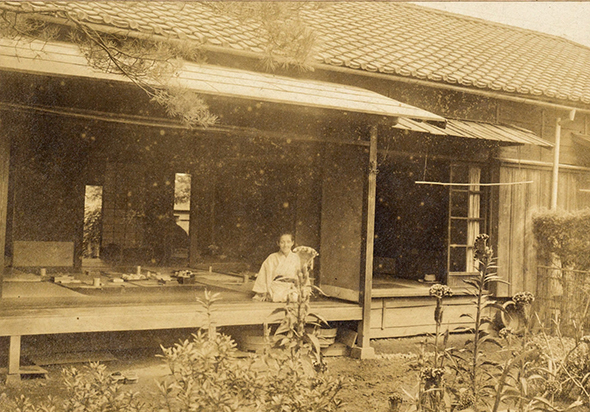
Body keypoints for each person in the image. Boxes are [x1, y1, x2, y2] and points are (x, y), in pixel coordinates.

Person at [252, 232, 301, 302]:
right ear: (278, 243)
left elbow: (300, 276)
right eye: (282, 242)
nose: (285, 245)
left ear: (292, 243)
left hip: (291, 287)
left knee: (296, 298)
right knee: (279, 297)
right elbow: (264, 275)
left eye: (288, 242)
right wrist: (263, 292)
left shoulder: (296, 258)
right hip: (276, 287)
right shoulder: (272, 258)